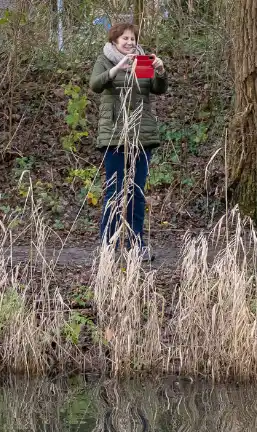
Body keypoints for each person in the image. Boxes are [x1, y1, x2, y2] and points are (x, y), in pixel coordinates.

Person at [90, 22, 168, 260]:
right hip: (114, 137)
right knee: (114, 192)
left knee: (137, 192)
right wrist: (118, 68)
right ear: (115, 41)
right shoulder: (106, 59)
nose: (130, 42)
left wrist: (160, 71)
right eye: (125, 38)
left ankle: (136, 245)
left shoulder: (143, 60)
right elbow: (95, 85)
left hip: (141, 137)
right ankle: (107, 246)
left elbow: (156, 89)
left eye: (132, 39)